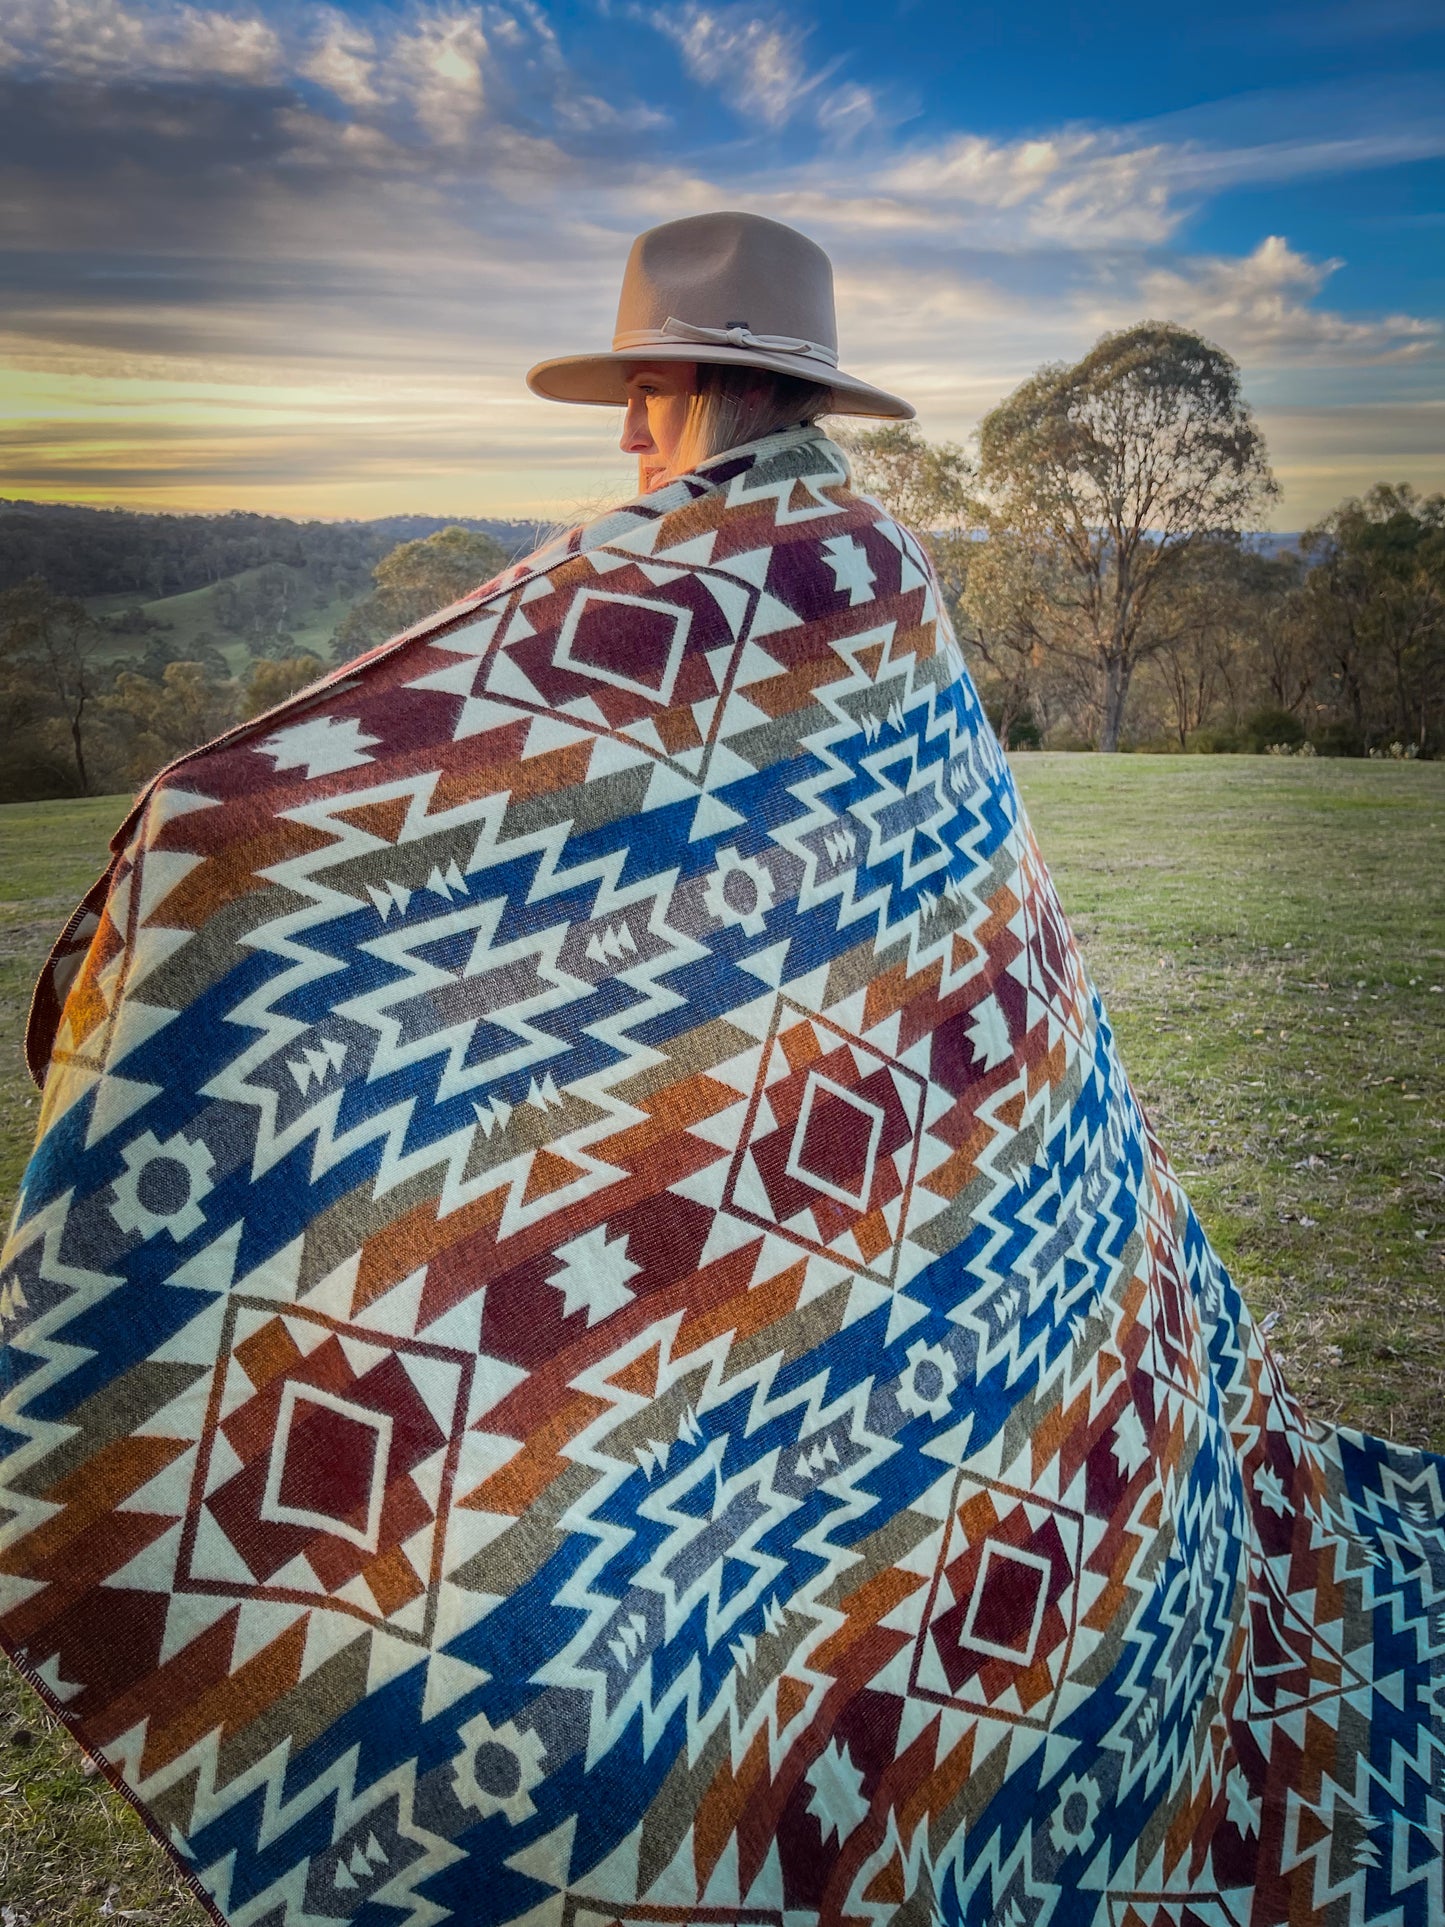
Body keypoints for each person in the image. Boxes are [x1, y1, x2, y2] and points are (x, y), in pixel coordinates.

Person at [0, 211, 1440, 1927]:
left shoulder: (690, 581)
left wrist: (201, 852)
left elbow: (423, 748)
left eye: (645, 393)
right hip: (893, 1159)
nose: (624, 434)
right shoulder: (866, 562)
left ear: (701, 384)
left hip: (879, 1166)